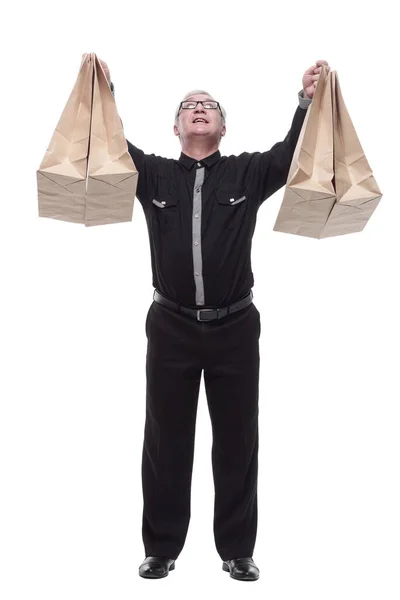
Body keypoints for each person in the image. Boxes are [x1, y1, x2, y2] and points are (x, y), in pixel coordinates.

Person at [96, 55, 331, 581]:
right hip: (171, 327)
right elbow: (112, 147)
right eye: (189, 106)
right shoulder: (152, 173)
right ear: (176, 126)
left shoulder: (247, 171)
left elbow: (292, 155)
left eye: (209, 106)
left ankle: (237, 550)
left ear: (223, 127)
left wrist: (306, 101)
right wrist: (105, 93)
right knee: (165, 441)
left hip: (235, 328)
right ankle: (161, 548)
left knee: (237, 439)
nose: (198, 109)